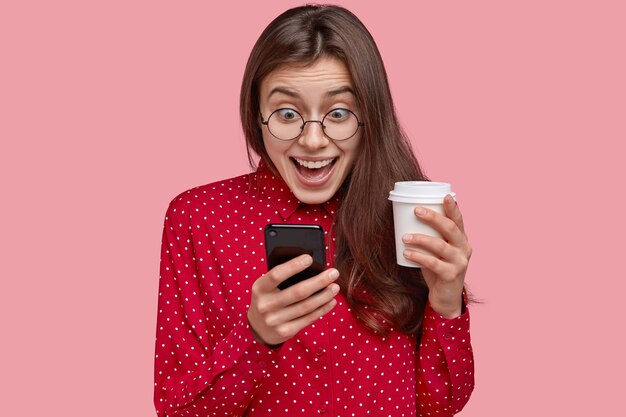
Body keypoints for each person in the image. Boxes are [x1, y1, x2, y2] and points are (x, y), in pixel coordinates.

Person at [154, 5, 474, 417]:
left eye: (338, 113)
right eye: (288, 113)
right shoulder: (197, 218)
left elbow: (440, 405)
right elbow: (177, 410)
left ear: (368, 117)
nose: (313, 140)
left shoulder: (403, 215)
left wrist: (447, 303)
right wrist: (256, 338)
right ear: (257, 113)